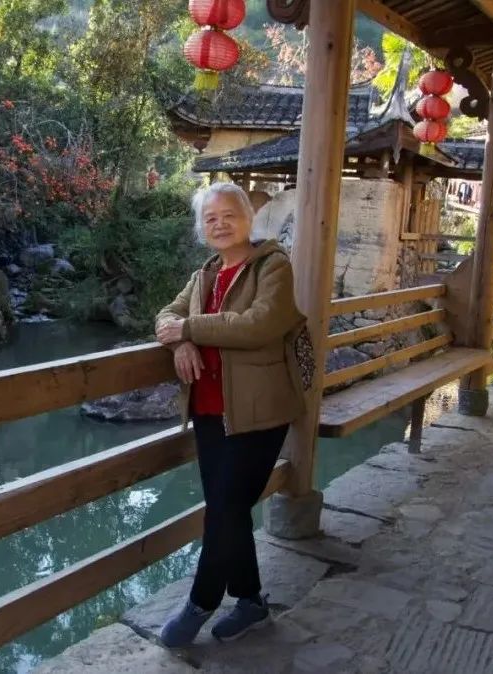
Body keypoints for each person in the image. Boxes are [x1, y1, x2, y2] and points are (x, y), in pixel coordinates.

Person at [154, 182, 306, 647]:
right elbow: (165, 316)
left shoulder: (272, 265)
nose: (219, 224)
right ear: (202, 228)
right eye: (210, 218)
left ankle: (200, 602)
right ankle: (251, 602)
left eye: (229, 215)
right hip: (208, 410)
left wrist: (190, 327)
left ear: (248, 218)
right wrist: (180, 342)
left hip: (259, 412)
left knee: (224, 509)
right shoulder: (203, 275)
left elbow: (260, 324)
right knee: (229, 510)